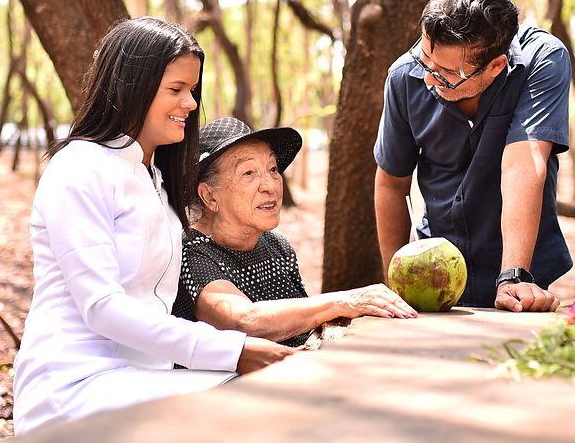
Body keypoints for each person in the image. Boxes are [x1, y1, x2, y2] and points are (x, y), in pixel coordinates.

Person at [12, 17, 294, 435]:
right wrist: (233, 350)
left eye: (193, 91)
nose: (191, 103)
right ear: (133, 86)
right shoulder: (79, 167)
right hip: (74, 388)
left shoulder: (154, 178)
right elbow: (101, 307)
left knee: (287, 392)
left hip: (149, 380)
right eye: (176, 89)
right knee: (257, 406)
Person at [374, 0, 572, 311]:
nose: (428, 79)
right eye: (426, 61)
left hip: (522, 271)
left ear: (496, 66)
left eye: (448, 73)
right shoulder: (404, 77)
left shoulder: (542, 62)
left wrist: (513, 276)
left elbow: (523, 163)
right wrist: (394, 282)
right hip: (434, 269)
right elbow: (392, 184)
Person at [173, 118, 416, 345]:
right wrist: (345, 301)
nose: (270, 186)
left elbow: (302, 326)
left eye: (273, 169)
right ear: (209, 196)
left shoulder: (276, 245)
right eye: (248, 173)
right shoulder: (193, 253)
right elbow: (243, 321)